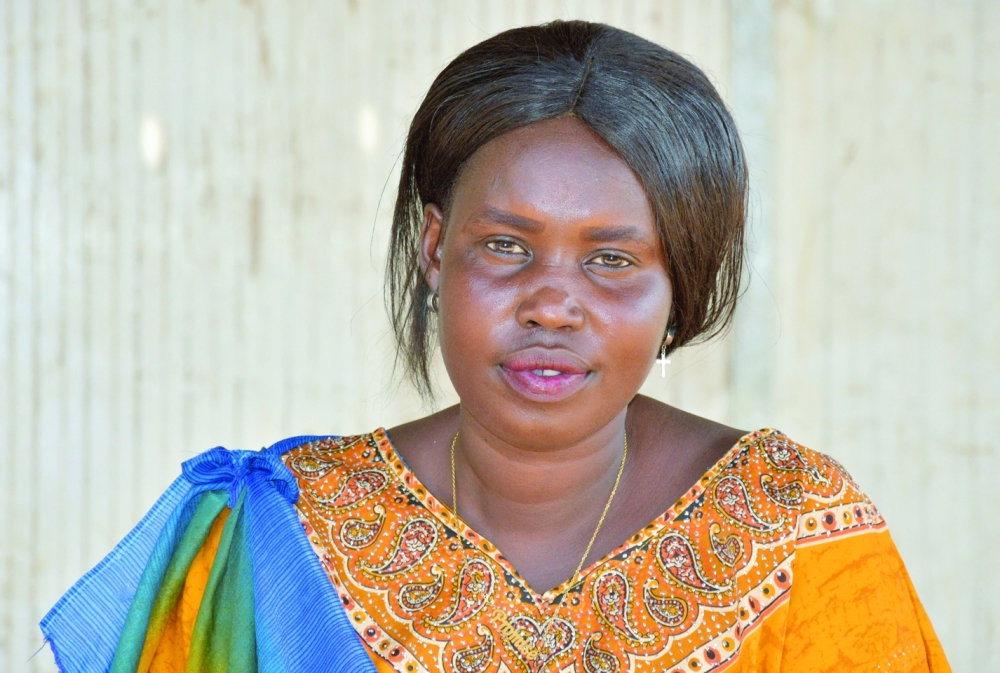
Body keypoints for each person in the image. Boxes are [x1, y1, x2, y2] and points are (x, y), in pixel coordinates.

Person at [41, 20, 950, 673]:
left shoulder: (794, 535)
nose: (553, 304)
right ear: (436, 248)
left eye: (611, 259)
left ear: (679, 284)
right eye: (507, 247)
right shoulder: (273, 534)